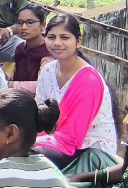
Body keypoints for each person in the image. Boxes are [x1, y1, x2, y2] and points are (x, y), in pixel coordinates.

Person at [34, 14, 119, 168]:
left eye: (65, 37)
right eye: (51, 37)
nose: (57, 43)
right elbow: (38, 115)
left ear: (78, 41)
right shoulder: (47, 71)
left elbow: (71, 137)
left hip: (91, 154)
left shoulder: (89, 80)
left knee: (27, 154)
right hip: (55, 142)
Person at [8, 4, 52, 93]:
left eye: (30, 22)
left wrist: (10, 85)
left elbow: (43, 85)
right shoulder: (21, 48)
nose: (23, 27)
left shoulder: (48, 52)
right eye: (20, 22)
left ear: (42, 25)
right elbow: (18, 75)